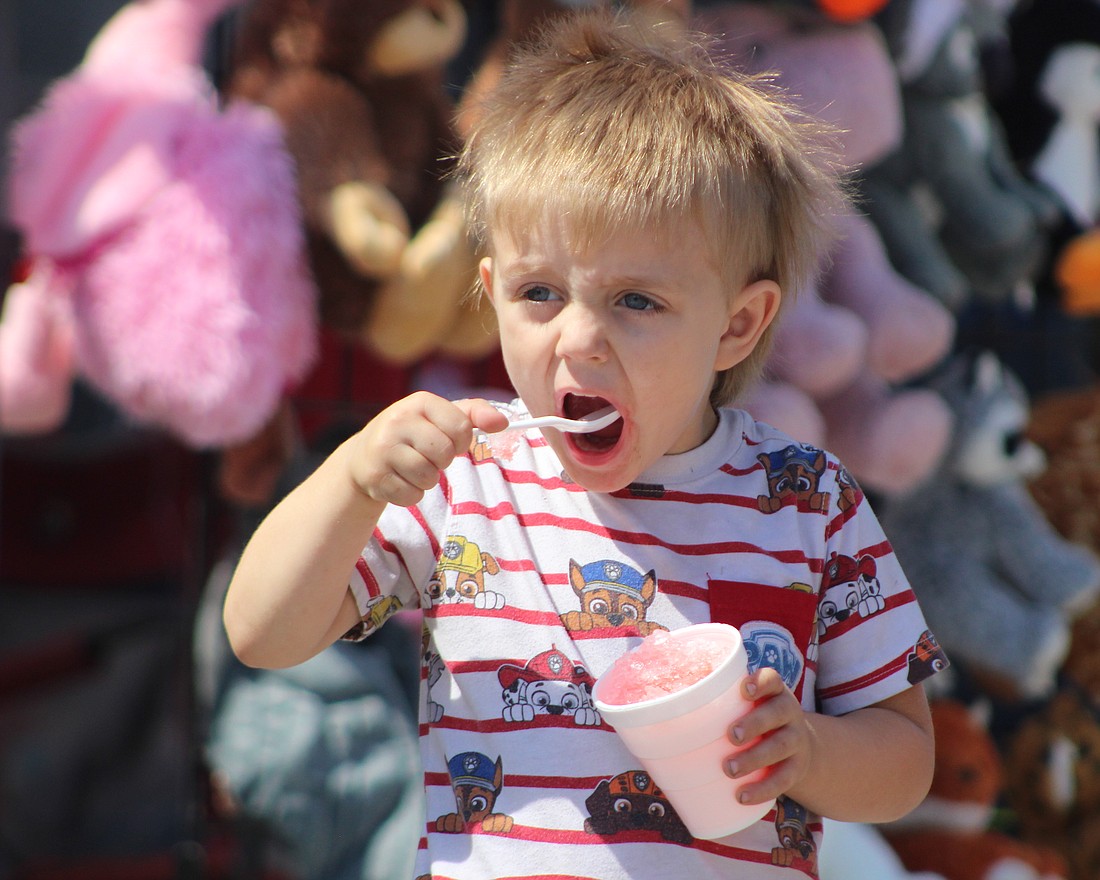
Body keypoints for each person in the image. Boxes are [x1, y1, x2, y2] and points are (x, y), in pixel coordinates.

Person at [224, 9, 944, 878]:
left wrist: (813, 753)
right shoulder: (472, 482)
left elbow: (905, 757)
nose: (578, 340)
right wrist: (349, 482)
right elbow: (261, 632)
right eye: (539, 293)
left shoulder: (804, 500)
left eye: (636, 301)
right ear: (488, 295)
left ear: (738, 324)